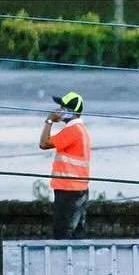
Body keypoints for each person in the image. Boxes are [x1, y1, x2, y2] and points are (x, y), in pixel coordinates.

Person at [38, 92, 92, 238]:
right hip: (77, 189)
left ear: (71, 112)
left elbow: (43, 143)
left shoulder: (73, 130)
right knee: (76, 234)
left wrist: (49, 120)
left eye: (62, 107)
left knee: (62, 233)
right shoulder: (80, 130)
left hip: (69, 190)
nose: (59, 110)